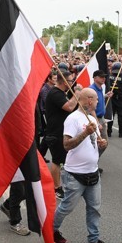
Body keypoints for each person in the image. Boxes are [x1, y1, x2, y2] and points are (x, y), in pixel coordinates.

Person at [53, 88, 113, 243]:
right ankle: (51, 230)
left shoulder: (92, 118)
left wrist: (103, 144)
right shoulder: (72, 119)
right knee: (66, 207)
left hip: (93, 172)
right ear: (88, 100)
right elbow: (66, 145)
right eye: (95, 100)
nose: (98, 102)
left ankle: (93, 241)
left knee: (94, 209)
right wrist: (85, 133)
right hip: (75, 175)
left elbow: (97, 142)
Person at [44, 71, 82, 199]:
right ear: (64, 81)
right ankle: (56, 187)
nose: (73, 83)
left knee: (62, 159)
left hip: (61, 131)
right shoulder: (55, 93)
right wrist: (77, 92)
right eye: (71, 81)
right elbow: (70, 107)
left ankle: (63, 184)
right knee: (57, 160)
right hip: (55, 132)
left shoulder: (61, 93)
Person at [89, 70, 112, 153]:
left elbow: (97, 99)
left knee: (102, 142)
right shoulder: (92, 90)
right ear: (95, 78)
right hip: (96, 118)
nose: (104, 78)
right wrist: (97, 123)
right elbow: (91, 108)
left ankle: (94, 161)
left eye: (104, 77)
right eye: (101, 77)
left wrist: (106, 95)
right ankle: (93, 161)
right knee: (101, 142)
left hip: (101, 118)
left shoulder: (100, 88)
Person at [107, 62, 122, 138]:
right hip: (120, 99)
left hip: (111, 99)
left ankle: (109, 131)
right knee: (121, 116)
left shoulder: (109, 77)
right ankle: (121, 132)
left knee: (111, 116)